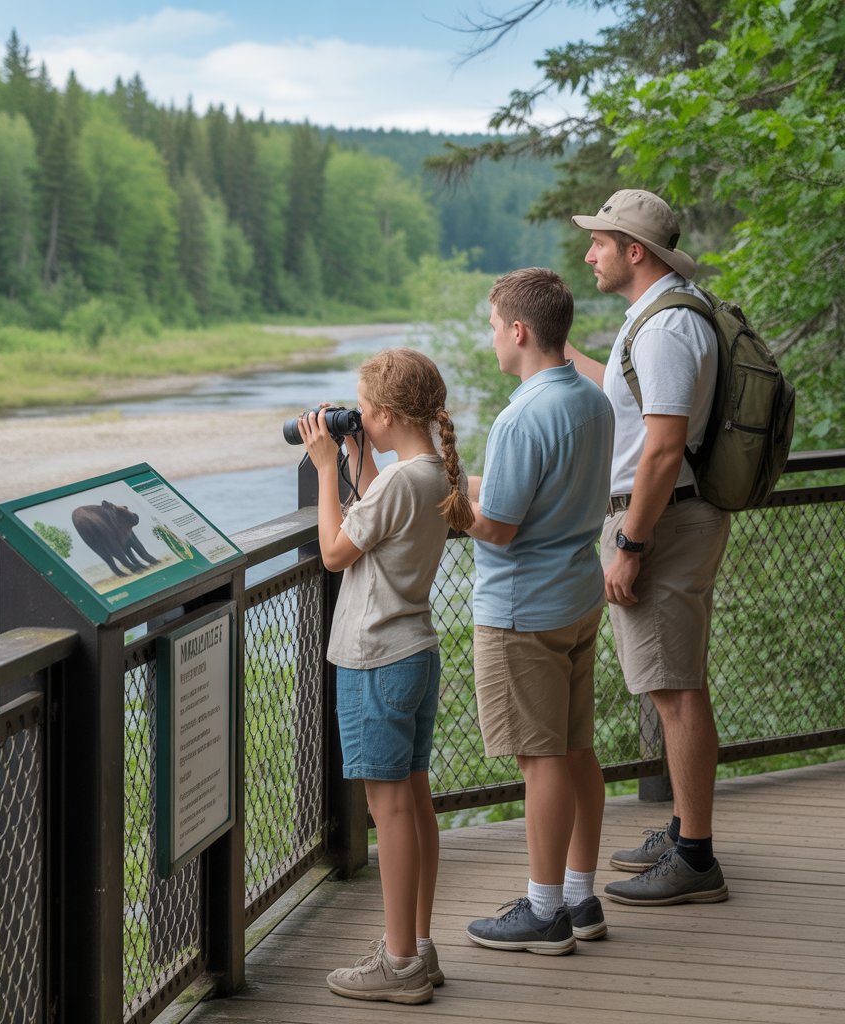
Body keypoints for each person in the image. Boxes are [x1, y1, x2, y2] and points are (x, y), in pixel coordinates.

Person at [567, 188, 731, 906]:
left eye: (599, 241)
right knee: (675, 682)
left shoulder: (666, 329)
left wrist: (631, 542)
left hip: (660, 522)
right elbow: (632, 406)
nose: (588, 252)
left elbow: (663, 449)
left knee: (674, 690)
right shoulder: (657, 320)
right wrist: (557, 353)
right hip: (665, 517)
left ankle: (695, 858)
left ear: (636, 251)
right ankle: (683, 830)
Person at [298, 347, 474, 1005]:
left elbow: (335, 551)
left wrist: (322, 470)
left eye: (364, 412)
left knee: (390, 810)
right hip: (415, 652)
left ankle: (397, 963)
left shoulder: (404, 481)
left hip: (376, 658)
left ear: (389, 414)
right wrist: (350, 453)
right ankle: (418, 948)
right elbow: (376, 499)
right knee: (415, 804)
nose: (359, 420)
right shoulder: (426, 472)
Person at [464, 267, 615, 956]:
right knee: (577, 749)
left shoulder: (520, 414)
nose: (492, 339)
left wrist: (446, 502)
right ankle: (582, 899)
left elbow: (496, 526)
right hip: (577, 595)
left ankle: (544, 910)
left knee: (541, 759)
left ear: (519, 331)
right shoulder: (591, 400)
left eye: (494, 326)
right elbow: (545, 494)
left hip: (522, 609)